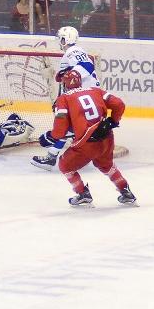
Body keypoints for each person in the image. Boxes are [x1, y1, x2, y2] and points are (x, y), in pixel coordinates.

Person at [38, 69, 136, 206]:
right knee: (106, 165)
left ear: (64, 85)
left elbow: (61, 127)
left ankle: (82, 193)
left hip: (87, 143)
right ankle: (126, 191)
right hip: (107, 137)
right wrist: (113, 120)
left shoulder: (64, 98)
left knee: (65, 165)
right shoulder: (95, 90)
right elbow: (119, 104)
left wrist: (50, 136)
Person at [31, 26, 100, 170]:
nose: (59, 42)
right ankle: (57, 156)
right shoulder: (74, 52)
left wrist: (72, 74)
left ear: (64, 39)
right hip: (87, 97)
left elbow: (87, 66)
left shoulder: (73, 51)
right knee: (69, 127)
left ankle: (56, 156)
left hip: (84, 97)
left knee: (67, 127)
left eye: (61, 39)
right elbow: (70, 79)